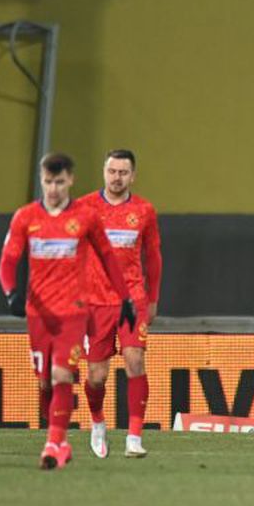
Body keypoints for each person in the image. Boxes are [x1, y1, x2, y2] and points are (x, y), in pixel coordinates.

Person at [0, 152, 136, 470]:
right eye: (48, 182)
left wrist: (126, 299)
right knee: (45, 382)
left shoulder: (86, 217)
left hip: (74, 311)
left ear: (70, 180)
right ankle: (59, 441)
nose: (54, 189)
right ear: (41, 181)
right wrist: (10, 294)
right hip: (38, 313)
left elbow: (108, 259)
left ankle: (52, 444)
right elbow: (7, 260)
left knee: (63, 375)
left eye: (60, 182)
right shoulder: (25, 217)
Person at [77, 149, 162, 459]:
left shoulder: (144, 210)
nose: (117, 177)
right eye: (112, 171)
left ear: (133, 175)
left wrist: (152, 299)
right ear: (104, 172)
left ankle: (134, 437)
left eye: (123, 172)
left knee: (135, 359)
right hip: (93, 303)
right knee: (96, 376)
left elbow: (153, 257)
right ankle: (98, 423)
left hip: (132, 299)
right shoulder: (84, 207)